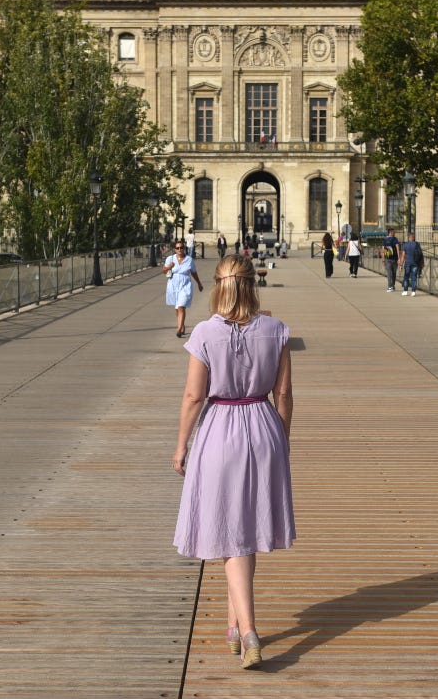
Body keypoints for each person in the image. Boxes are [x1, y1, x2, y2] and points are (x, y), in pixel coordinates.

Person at [172, 254, 295, 670]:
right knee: (246, 527)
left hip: (221, 427)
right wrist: (283, 438)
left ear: (219, 285)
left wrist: (181, 444)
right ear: (251, 285)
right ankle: (231, 624)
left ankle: (249, 632)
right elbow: (284, 394)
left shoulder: (206, 333)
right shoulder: (276, 330)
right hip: (263, 425)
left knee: (230, 531)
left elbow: (193, 397)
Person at [163, 241, 204, 337]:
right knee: (177, 309)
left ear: (184, 248)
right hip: (173, 285)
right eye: (177, 248)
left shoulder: (189, 260)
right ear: (175, 249)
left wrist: (199, 283)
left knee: (181, 306)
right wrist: (170, 266)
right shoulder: (170, 258)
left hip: (185, 285)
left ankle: (179, 329)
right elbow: (164, 270)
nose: (179, 250)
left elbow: (193, 272)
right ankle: (182, 325)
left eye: (181, 247)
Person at [399, 231, 423, 296]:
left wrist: (401, 265)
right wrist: (421, 264)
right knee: (414, 277)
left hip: (407, 263)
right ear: (413, 237)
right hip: (415, 263)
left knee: (406, 277)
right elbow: (420, 254)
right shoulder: (417, 244)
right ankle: (413, 291)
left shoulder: (405, 245)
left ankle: (405, 291)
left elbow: (403, 256)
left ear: (409, 237)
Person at [382, 227, 400, 292]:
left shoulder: (385, 239)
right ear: (390, 232)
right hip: (394, 258)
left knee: (390, 273)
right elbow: (397, 248)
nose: (394, 233)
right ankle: (392, 286)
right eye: (393, 232)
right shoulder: (395, 239)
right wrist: (399, 258)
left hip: (387, 258)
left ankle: (390, 287)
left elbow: (383, 249)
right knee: (393, 273)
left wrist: (383, 258)